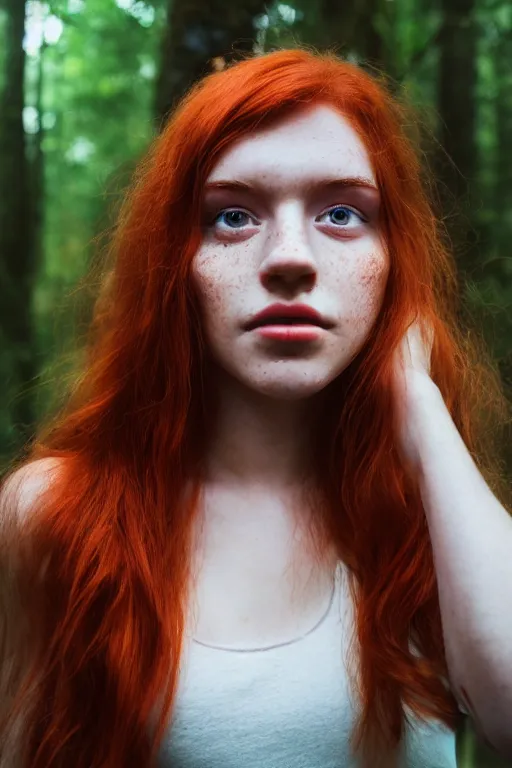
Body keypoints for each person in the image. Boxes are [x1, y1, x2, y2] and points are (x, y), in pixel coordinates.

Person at [1, 47, 511, 768]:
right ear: (175, 265)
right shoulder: (57, 513)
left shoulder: (430, 510)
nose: (291, 257)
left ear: (394, 260)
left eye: (341, 213)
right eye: (233, 218)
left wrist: (421, 411)